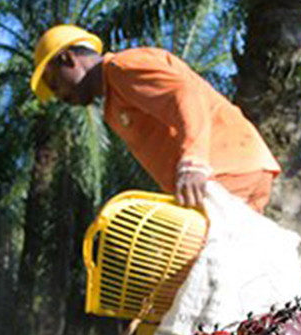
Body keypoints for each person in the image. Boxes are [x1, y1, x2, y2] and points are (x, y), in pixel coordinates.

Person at [30, 25, 281, 212]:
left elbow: (186, 94)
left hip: (225, 169)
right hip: (234, 170)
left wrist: (194, 163)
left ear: (67, 58)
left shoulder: (122, 67)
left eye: (54, 83)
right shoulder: (115, 96)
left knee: (185, 268)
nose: (58, 95)